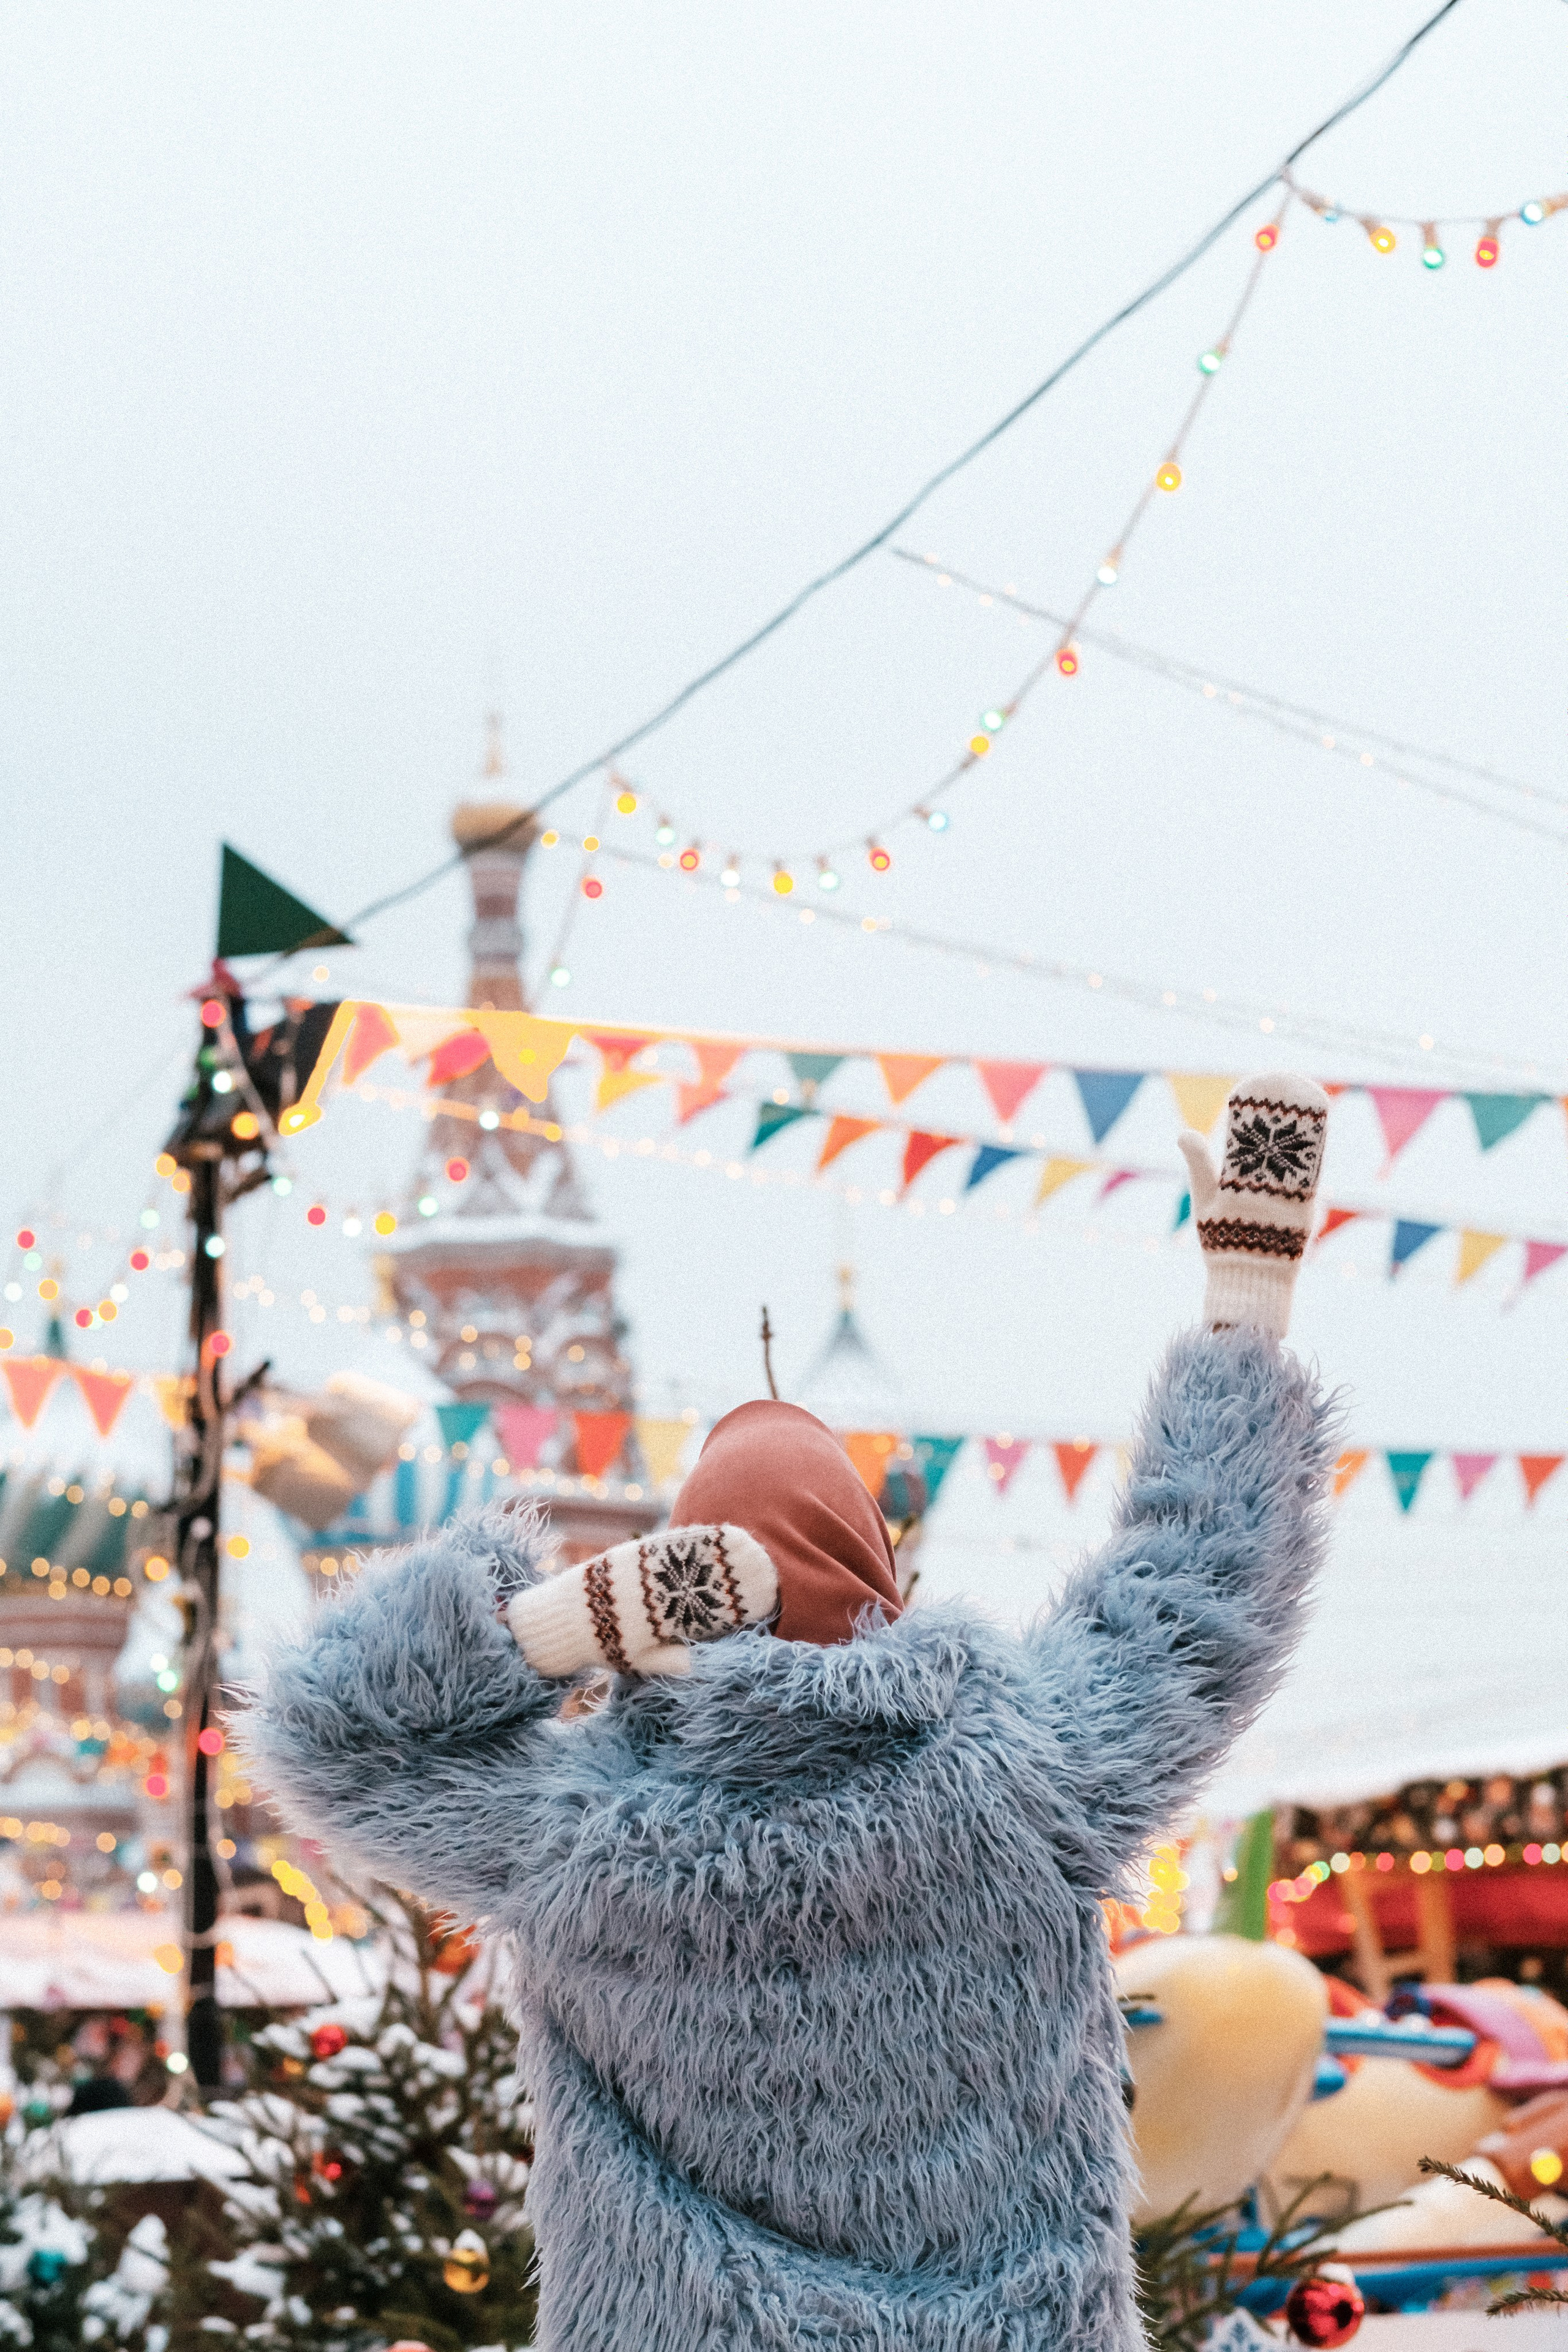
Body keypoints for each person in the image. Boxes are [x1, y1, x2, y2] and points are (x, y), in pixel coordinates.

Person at [246, 1072, 1335, 2350]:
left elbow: (328, 1743)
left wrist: (545, 1631)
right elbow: (1195, 1593)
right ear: (879, 1570)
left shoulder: (574, 1838)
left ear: (657, 1597)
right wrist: (1240, 1325)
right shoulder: (1022, 1774)